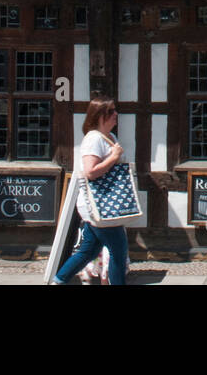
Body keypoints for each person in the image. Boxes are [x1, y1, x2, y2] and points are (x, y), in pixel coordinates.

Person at [54, 97, 130, 286]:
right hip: (100, 205)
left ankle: (58, 280)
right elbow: (90, 172)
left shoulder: (110, 137)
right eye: (111, 111)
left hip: (106, 204)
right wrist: (114, 157)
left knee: (87, 251)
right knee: (118, 251)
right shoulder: (93, 139)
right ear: (99, 116)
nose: (116, 114)